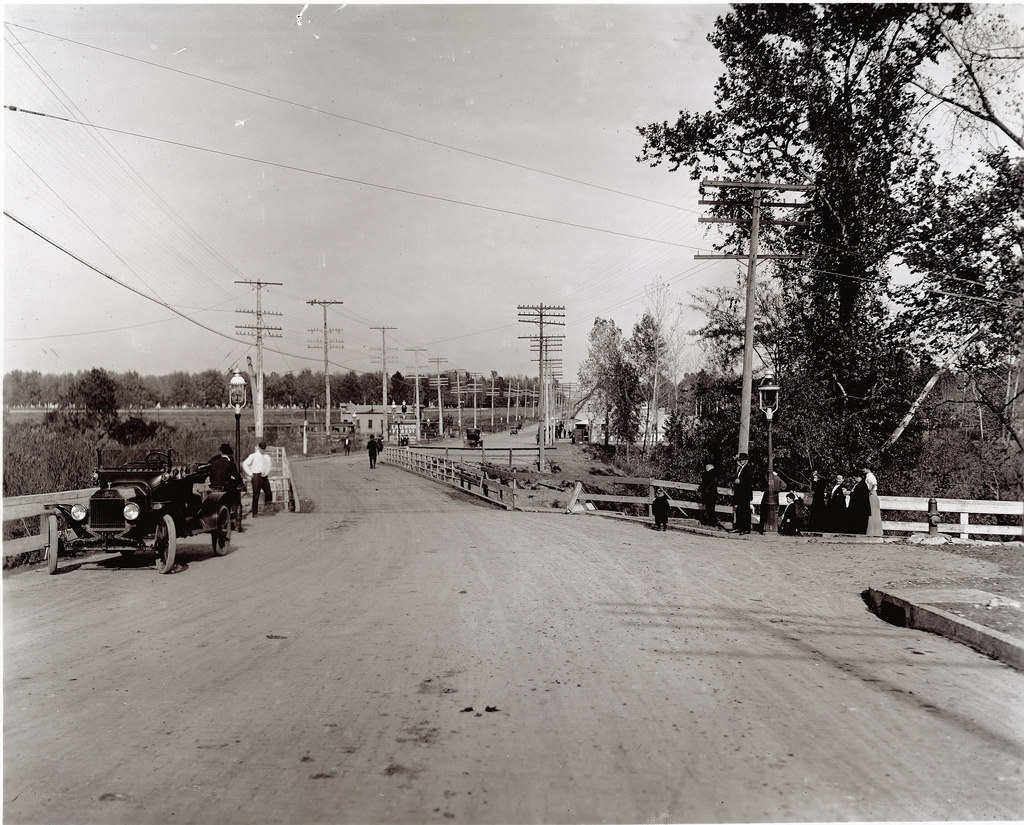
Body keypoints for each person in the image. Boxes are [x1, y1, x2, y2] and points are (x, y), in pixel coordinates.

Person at [209, 443, 245, 532]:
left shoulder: (213, 463)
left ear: (221, 452)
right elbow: (237, 477)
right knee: (238, 503)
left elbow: (211, 478)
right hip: (226, 489)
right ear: (229, 453)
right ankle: (238, 524)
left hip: (215, 488)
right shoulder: (231, 464)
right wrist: (241, 484)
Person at [242, 440, 273, 517]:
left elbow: (269, 466)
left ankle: (267, 507)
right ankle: (254, 513)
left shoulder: (267, 457)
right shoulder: (253, 455)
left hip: (264, 477)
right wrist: (250, 473)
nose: (263, 449)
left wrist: (266, 473)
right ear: (259, 448)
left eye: (264, 448)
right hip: (256, 476)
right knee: (256, 495)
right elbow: (245, 464)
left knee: (268, 493)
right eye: (261, 448)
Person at [757, 468, 787, 534]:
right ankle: (774, 528)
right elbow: (784, 486)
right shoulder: (777, 478)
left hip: (766, 497)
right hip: (775, 497)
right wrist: (778, 490)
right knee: (775, 513)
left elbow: (762, 487)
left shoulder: (766, 477)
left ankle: (763, 528)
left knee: (764, 513)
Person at [732, 453, 753, 534]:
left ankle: (746, 529)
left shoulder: (748, 469)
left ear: (746, 460)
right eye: (741, 460)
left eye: (743, 459)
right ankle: (739, 527)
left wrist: (740, 482)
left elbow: (749, 482)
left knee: (745, 512)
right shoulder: (741, 469)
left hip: (745, 494)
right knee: (739, 511)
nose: (741, 461)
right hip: (741, 493)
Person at [847, 469, 871, 534]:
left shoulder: (862, 485)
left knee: (860, 525)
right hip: (858, 508)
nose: (854, 479)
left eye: (854, 477)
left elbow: (859, 496)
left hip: (861, 509)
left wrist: (850, 493)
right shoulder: (858, 484)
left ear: (858, 476)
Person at [698, 462, 720, 528]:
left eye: (706, 467)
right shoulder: (715, 474)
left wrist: (700, 488)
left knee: (709, 509)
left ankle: (711, 522)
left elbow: (705, 484)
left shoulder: (708, 474)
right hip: (713, 494)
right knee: (711, 508)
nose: (706, 468)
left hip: (708, 494)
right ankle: (713, 522)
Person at [863, 465, 883, 537]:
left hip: (872, 494)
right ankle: (871, 530)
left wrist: (870, 491)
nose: (863, 469)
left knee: (872, 512)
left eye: (864, 468)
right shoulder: (868, 476)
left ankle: (874, 531)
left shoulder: (871, 476)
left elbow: (874, 484)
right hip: (871, 494)